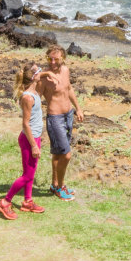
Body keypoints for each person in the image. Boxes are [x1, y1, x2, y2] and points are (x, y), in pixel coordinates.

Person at [0, 62, 47, 220]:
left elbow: (35, 119)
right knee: (27, 176)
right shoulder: (27, 97)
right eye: (38, 71)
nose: (41, 71)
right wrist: (33, 145)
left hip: (34, 137)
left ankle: (27, 201)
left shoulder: (35, 92)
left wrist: (38, 137)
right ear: (33, 76)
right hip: (28, 140)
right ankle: (5, 202)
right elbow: (25, 123)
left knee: (30, 174)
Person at [39, 45, 81, 200]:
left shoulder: (66, 70)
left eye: (56, 59)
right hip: (55, 118)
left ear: (63, 59)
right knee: (66, 155)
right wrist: (46, 73)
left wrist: (78, 108)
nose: (53, 62)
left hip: (68, 115)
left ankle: (54, 184)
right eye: (49, 58)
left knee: (57, 154)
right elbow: (30, 80)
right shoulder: (44, 77)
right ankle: (60, 187)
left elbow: (68, 88)